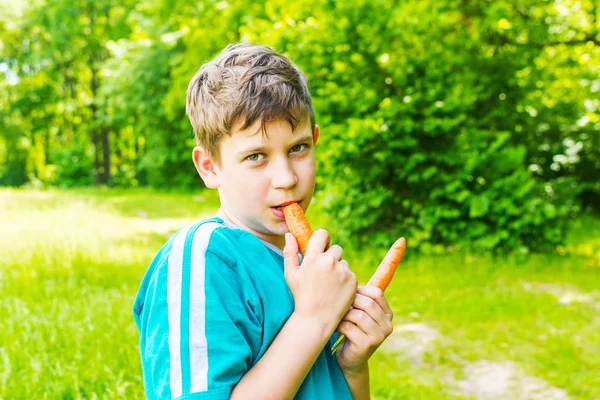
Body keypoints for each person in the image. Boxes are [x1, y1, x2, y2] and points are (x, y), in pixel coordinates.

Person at [133, 42, 394, 400]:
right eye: (256, 156)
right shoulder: (201, 259)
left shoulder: (306, 270)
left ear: (315, 141)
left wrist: (351, 364)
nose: (286, 177)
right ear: (209, 167)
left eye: (298, 148)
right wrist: (312, 321)